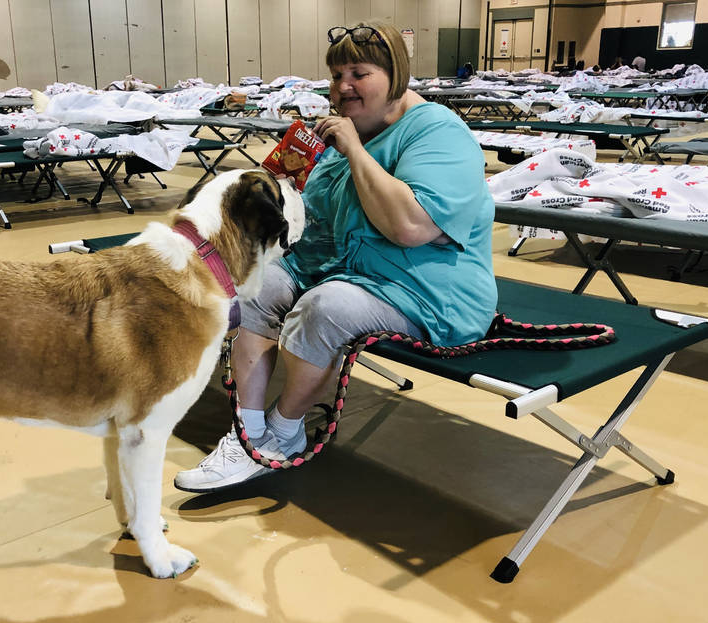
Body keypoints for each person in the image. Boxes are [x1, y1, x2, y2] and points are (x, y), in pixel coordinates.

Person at [174, 20, 497, 492]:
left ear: (396, 76)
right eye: (336, 74)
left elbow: (411, 227)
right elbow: (316, 217)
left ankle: (285, 434)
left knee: (324, 307)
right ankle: (248, 435)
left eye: (359, 73)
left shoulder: (435, 133)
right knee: (257, 286)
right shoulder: (345, 131)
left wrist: (353, 150)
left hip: (427, 291)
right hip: (341, 267)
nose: (343, 86)